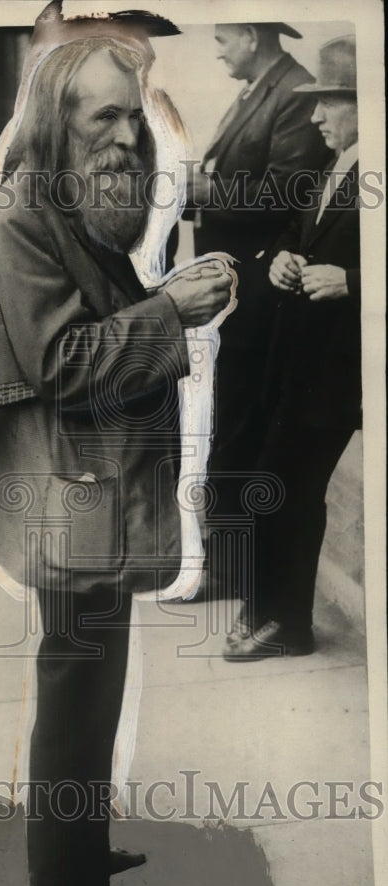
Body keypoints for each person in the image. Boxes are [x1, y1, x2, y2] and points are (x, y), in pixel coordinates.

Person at [0, 6, 233, 886]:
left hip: (90, 496)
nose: (127, 137)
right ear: (52, 119)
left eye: (133, 118)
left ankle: (74, 849)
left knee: (90, 687)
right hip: (69, 497)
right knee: (78, 694)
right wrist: (171, 306)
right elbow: (63, 367)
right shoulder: (21, 212)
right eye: (102, 120)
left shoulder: (72, 196)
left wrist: (169, 293)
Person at [224, 35, 361, 660]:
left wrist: (354, 282)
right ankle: (268, 613)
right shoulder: (336, 167)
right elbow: (293, 229)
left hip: (341, 370)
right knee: (274, 479)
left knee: (289, 484)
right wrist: (282, 254)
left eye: (328, 103)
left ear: (367, 103)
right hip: (298, 359)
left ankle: (286, 624)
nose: (315, 117)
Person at [187, 23, 330, 597]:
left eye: (223, 39)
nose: (218, 50)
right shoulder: (259, 90)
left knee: (240, 427)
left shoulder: (292, 92)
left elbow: (282, 195)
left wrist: (196, 190)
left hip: (259, 298)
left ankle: (232, 572)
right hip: (234, 294)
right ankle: (226, 567)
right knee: (228, 423)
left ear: (250, 35)